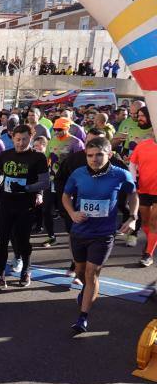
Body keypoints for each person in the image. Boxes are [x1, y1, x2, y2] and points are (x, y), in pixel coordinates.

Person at [62, 137, 138, 333]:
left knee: (91, 273)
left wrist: (133, 217)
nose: (94, 159)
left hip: (103, 234)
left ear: (109, 155)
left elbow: (133, 193)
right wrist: (72, 213)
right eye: (90, 155)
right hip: (79, 232)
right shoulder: (78, 174)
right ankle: (88, 290)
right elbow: (65, 196)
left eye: (99, 155)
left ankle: (82, 317)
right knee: (80, 272)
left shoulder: (120, 174)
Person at [0, 125, 49, 291]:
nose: (21, 143)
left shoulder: (38, 157)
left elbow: (45, 182)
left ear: (31, 138)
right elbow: (1, 173)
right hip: (6, 203)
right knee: (2, 241)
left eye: (24, 139)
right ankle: (0, 276)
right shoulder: (7, 154)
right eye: (17, 139)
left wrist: (26, 188)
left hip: (25, 205)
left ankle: (26, 270)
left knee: (22, 241)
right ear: (12, 138)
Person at [42, 118, 85, 247]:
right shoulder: (52, 141)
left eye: (60, 130)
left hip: (68, 181)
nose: (57, 132)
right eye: (55, 130)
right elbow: (46, 159)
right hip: (52, 180)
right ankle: (51, 236)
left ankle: (72, 236)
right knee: (46, 209)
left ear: (68, 128)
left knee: (65, 211)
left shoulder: (76, 143)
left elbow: (81, 164)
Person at [130, 135, 157, 266]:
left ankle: (148, 254)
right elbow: (132, 164)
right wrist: (134, 182)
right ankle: (152, 241)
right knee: (145, 222)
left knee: (154, 222)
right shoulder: (143, 144)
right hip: (144, 189)